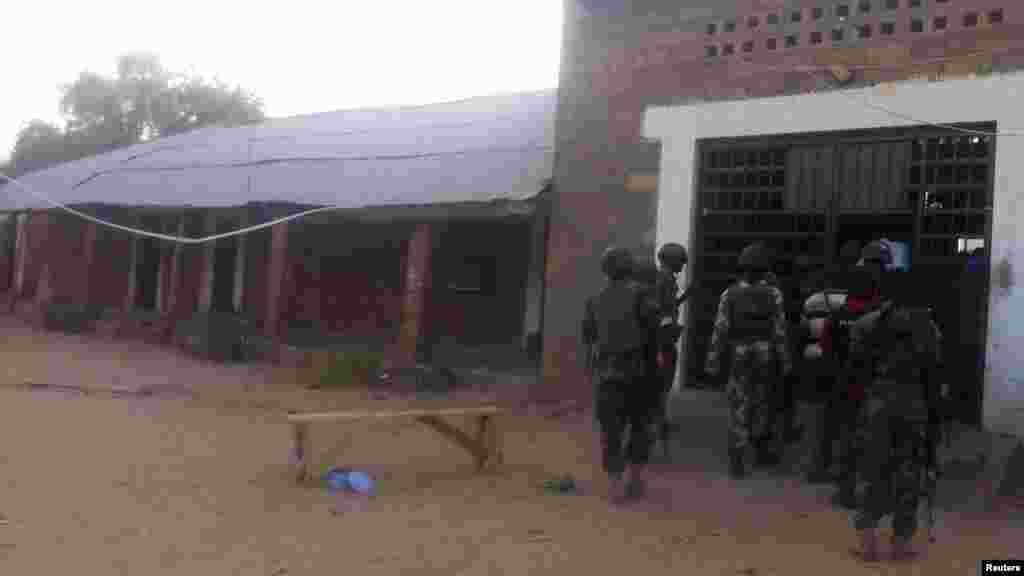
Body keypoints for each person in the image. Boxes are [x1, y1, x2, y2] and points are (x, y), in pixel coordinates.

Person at [847, 254, 942, 561]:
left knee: (870, 470)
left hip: (877, 401)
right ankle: (901, 544)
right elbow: (933, 376)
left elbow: (856, 371)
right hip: (914, 403)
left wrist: (860, 405)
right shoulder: (929, 329)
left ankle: (867, 543)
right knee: (909, 474)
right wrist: (933, 421)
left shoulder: (869, 324)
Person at [705, 243, 792, 478]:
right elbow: (780, 330)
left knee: (740, 402)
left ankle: (738, 456)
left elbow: (720, 330)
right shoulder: (774, 293)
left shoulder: (729, 294)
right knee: (763, 401)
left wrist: (713, 361)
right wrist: (785, 361)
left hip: (739, 352)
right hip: (765, 353)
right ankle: (760, 451)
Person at [582, 246, 660, 502]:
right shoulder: (642, 295)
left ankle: (614, 485)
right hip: (638, 373)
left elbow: (589, 338)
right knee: (640, 426)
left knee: (611, 430)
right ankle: (635, 479)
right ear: (630, 268)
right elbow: (652, 335)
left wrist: (593, 370)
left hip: (607, 376)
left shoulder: (593, 299)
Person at [652, 242, 693, 459]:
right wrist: (673, 329)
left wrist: (685, 296)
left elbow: (668, 307)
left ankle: (659, 422)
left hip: (659, 341)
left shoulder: (661, 278)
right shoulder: (666, 279)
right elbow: (665, 312)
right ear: (671, 259)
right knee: (662, 387)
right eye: (680, 260)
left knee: (660, 388)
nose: (683, 264)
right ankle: (659, 426)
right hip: (664, 343)